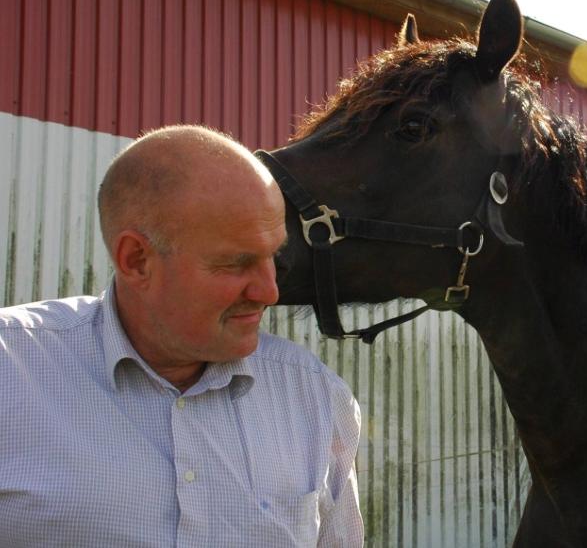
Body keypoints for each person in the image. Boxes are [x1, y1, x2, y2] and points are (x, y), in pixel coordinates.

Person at [0, 125, 363, 547]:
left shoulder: (316, 398)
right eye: (235, 263)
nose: (269, 292)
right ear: (136, 260)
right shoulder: (11, 371)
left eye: (273, 257)